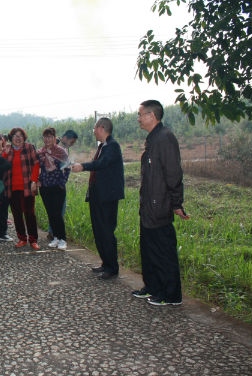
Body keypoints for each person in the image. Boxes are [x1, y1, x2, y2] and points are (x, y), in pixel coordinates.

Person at [134, 100, 189, 305]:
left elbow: (173, 173)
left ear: (152, 116)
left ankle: (171, 295)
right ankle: (153, 287)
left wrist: (176, 203)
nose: (138, 119)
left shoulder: (165, 138)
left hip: (160, 206)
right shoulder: (153, 139)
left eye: (140, 114)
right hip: (149, 205)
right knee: (149, 249)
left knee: (163, 251)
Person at [72, 118, 124, 280]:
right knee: (99, 231)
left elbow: (102, 163)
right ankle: (105, 263)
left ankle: (112, 268)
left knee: (106, 231)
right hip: (97, 195)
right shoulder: (103, 146)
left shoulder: (112, 146)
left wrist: (83, 166)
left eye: (94, 128)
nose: (93, 131)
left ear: (102, 128)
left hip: (107, 196)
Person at [3, 127, 40, 250]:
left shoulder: (29, 147)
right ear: (11, 138)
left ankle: (33, 240)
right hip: (12, 188)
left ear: (24, 138)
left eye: (20, 135)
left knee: (30, 214)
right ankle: (22, 238)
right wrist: (5, 153)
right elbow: (3, 165)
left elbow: (36, 164)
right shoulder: (8, 150)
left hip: (27, 187)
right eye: (15, 136)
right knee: (17, 214)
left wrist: (34, 181)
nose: (18, 138)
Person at [37, 127, 71, 251]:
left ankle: (63, 239)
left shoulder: (61, 151)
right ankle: (56, 237)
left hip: (57, 186)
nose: (47, 139)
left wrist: (62, 182)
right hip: (45, 187)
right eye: (45, 137)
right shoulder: (40, 152)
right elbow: (37, 168)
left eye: (50, 137)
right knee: (51, 213)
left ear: (54, 138)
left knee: (57, 213)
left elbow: (68, 167)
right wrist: (38, 180)